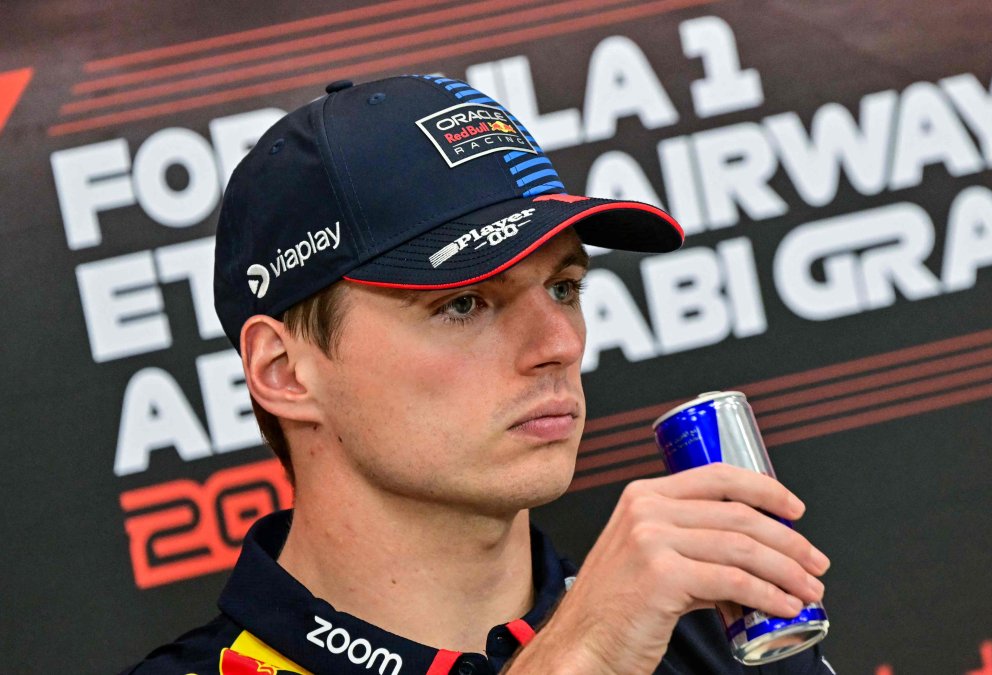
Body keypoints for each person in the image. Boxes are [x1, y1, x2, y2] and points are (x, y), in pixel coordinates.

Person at [121, 75, 835, 675]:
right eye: (464, 303)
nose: (558, 342)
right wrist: (579, 653)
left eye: (564, 288)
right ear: (285, 372)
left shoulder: (711, 635)